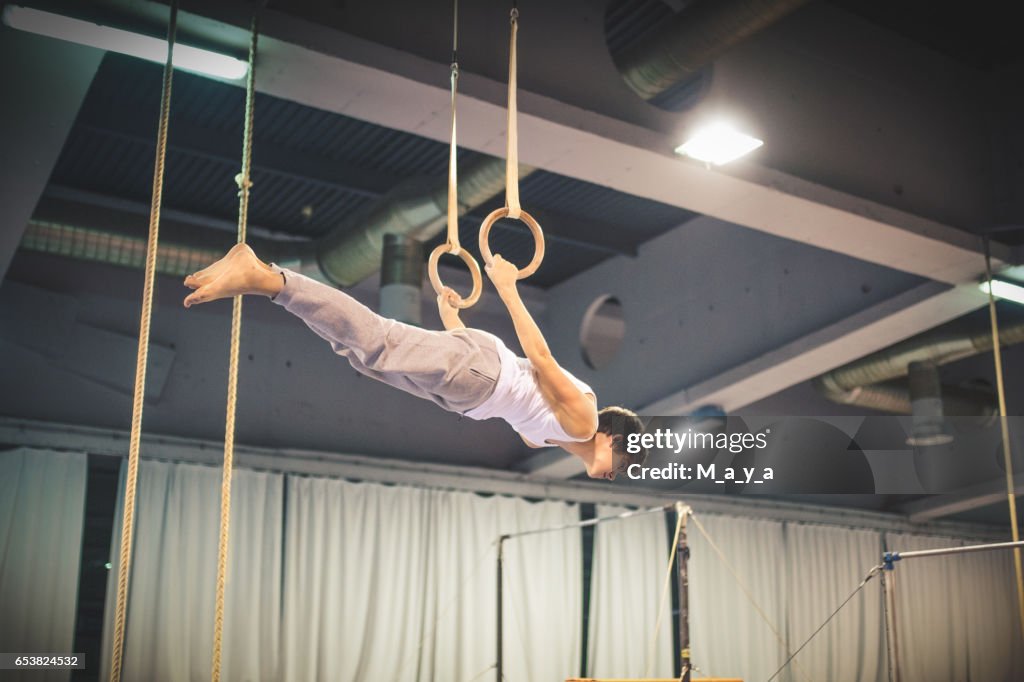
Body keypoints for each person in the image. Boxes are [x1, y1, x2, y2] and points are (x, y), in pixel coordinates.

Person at [182, 244, 647, 479]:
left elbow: (521, 394)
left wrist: (452, 321)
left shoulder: (563, 441)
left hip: (470, 389)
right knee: (376, 342)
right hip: (482, 376)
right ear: (612, 438)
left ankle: (264, 280)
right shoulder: (584, 420)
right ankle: (268, 278)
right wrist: (505, 285)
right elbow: (539, 359)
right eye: (624, 462)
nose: (618, 473)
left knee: (362, 356)